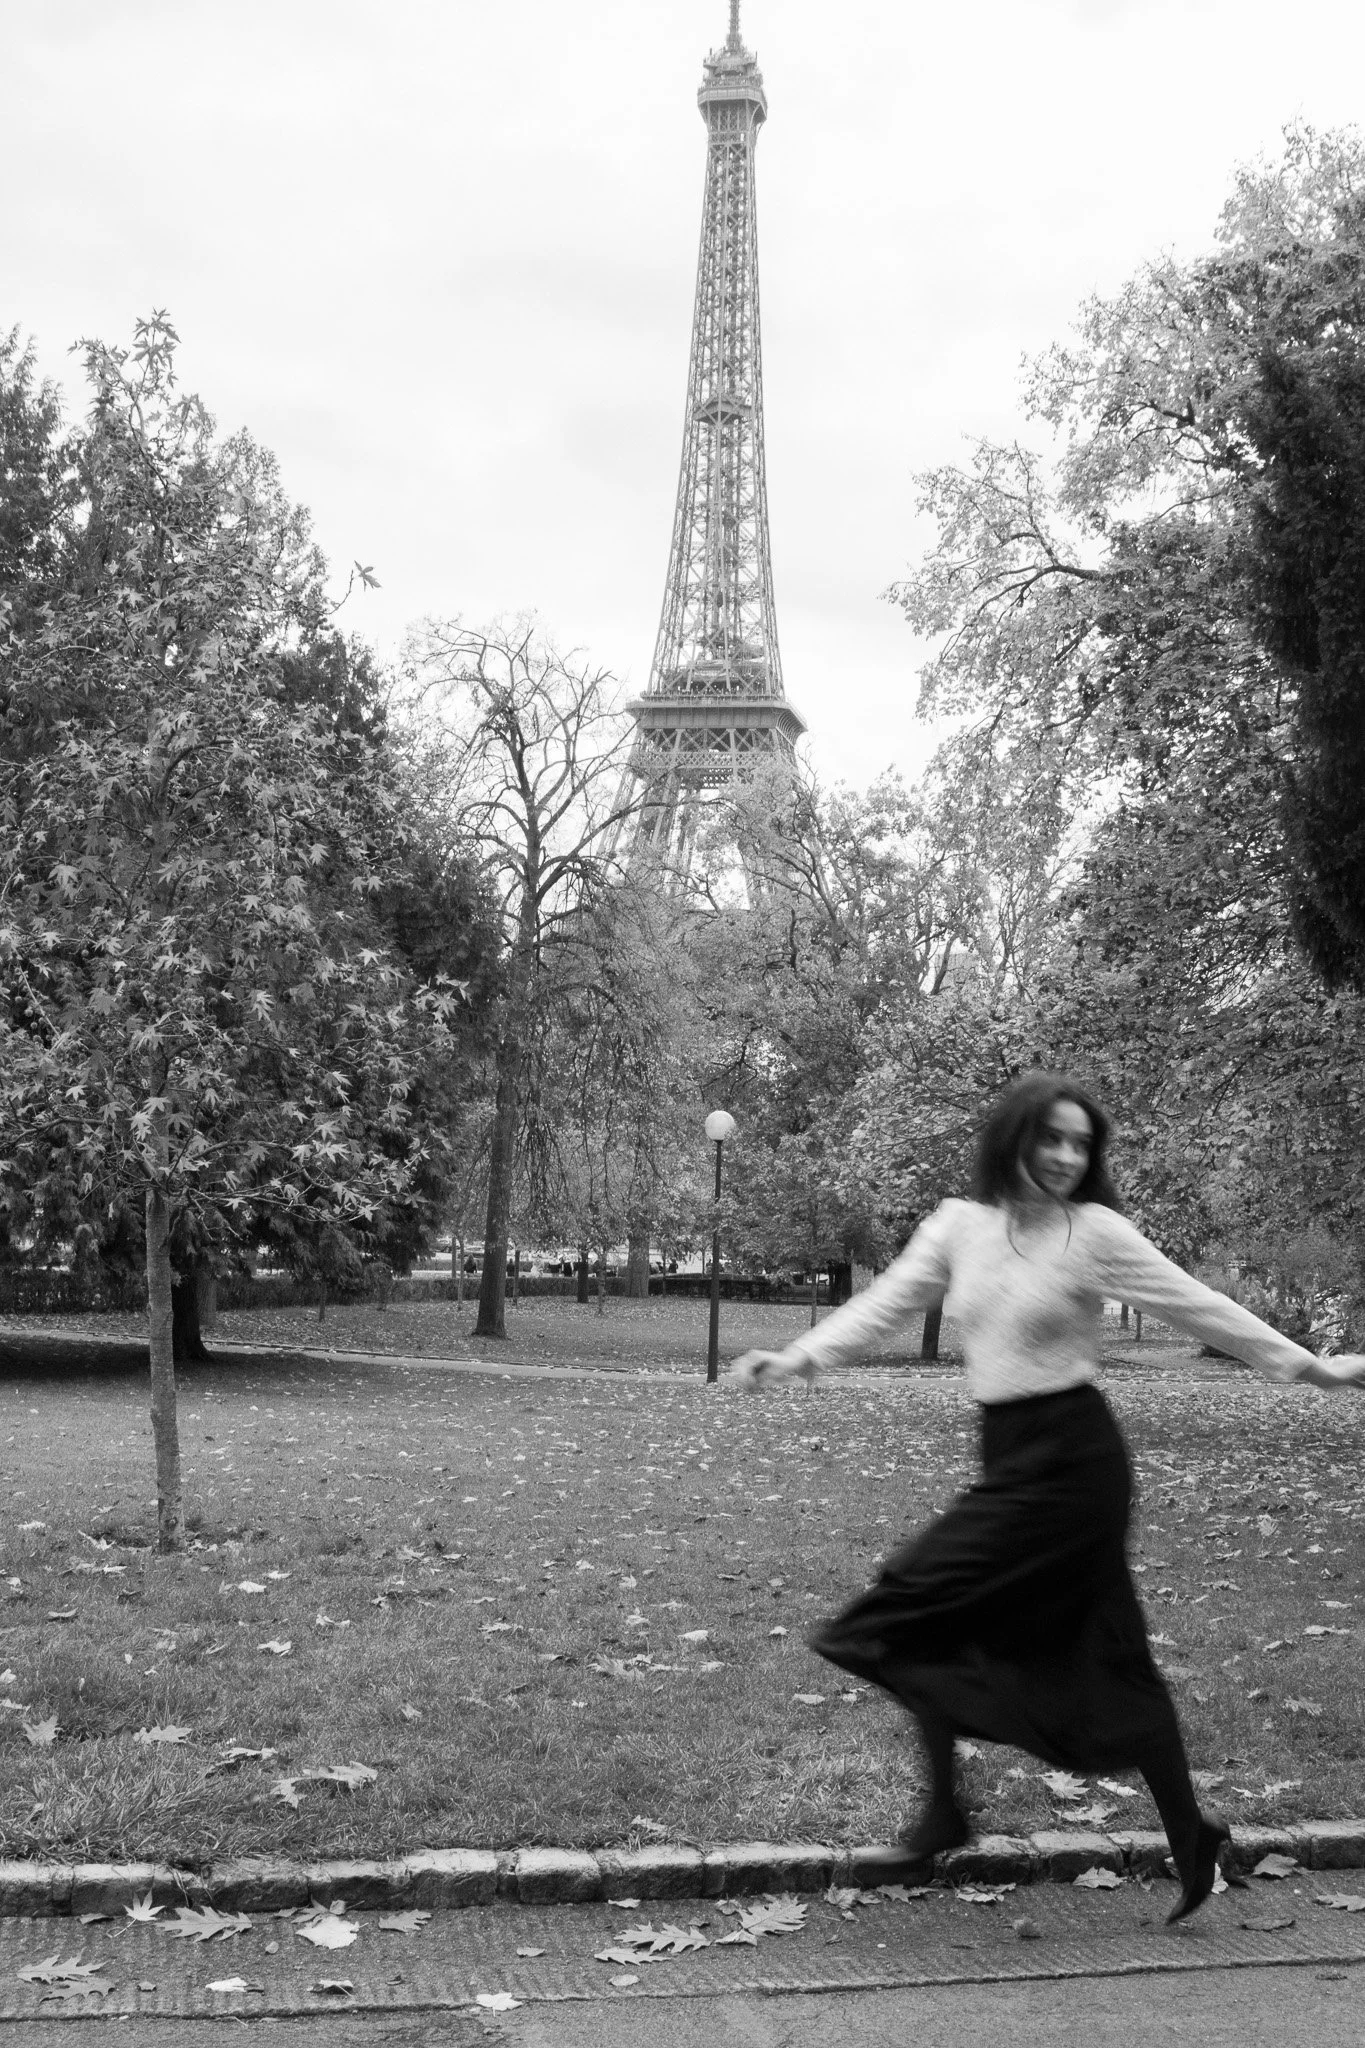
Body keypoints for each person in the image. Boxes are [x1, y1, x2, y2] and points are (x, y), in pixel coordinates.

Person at [730, 1071, 1365, 1923]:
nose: (1067, 1156)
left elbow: (1199, 1305)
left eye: (1081, 1144)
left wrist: (1305, 1367)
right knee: (1042, 1636)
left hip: (1074, 1465)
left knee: (915, 1604)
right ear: (1014, 1139)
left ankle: (945, 1819)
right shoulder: (958, 1226)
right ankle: (1178, 1826)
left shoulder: (1092, 1233)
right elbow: (884, 1305)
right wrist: (797, 1356)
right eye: (1051, 1139)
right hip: (1007, 1457)